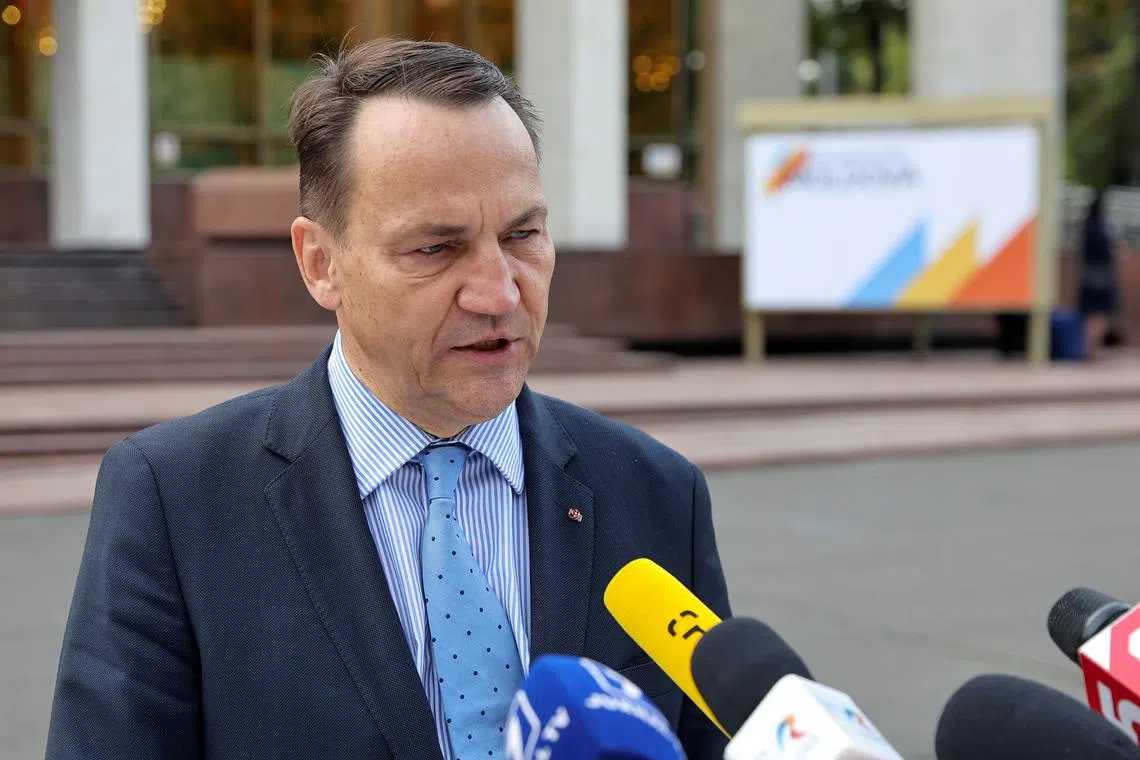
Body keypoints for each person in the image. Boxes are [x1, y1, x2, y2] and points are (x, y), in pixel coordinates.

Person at [45, 38, 732, 760]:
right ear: (321, 263)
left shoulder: (657, 495)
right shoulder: (176, 502)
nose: (499, 292)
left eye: (522, 234)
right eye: (435, 249)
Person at [1078, 187, 1120, 360]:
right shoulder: (1101, 228)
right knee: (1100, 314)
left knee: (1090, 315)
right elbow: (1107, 250)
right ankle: (1091, 351)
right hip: (1101, 276)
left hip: (1088, 274)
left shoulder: (1086, 225)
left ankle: (1088, 349)